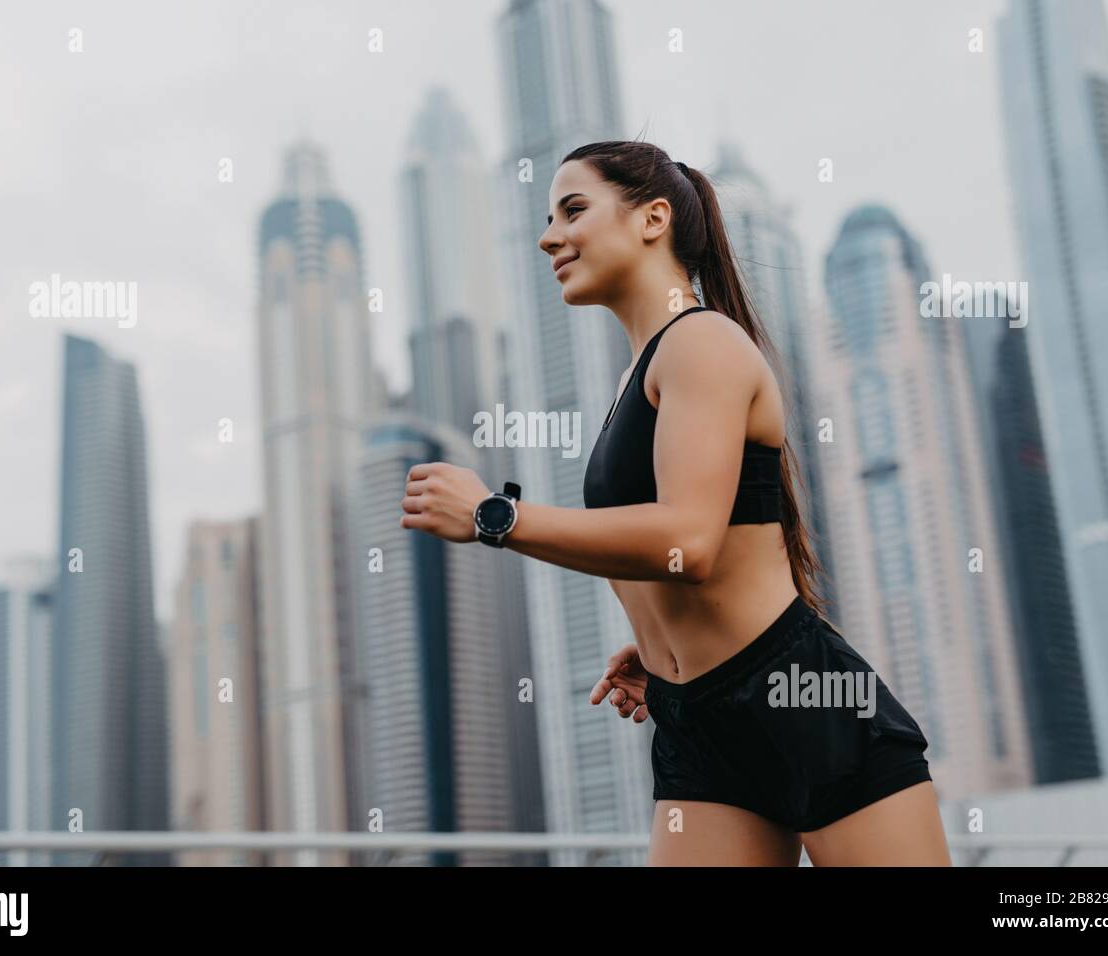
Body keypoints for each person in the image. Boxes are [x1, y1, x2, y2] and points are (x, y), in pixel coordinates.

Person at [400, 140, 951, 866]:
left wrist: (492, 517)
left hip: (800, 700)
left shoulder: (702, 343)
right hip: (696, 725)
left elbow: (689, 542)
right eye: (546, 217)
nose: (548, 236)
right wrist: (666, 650)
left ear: (653, 217)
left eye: (573, 210)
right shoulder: (639, 374)